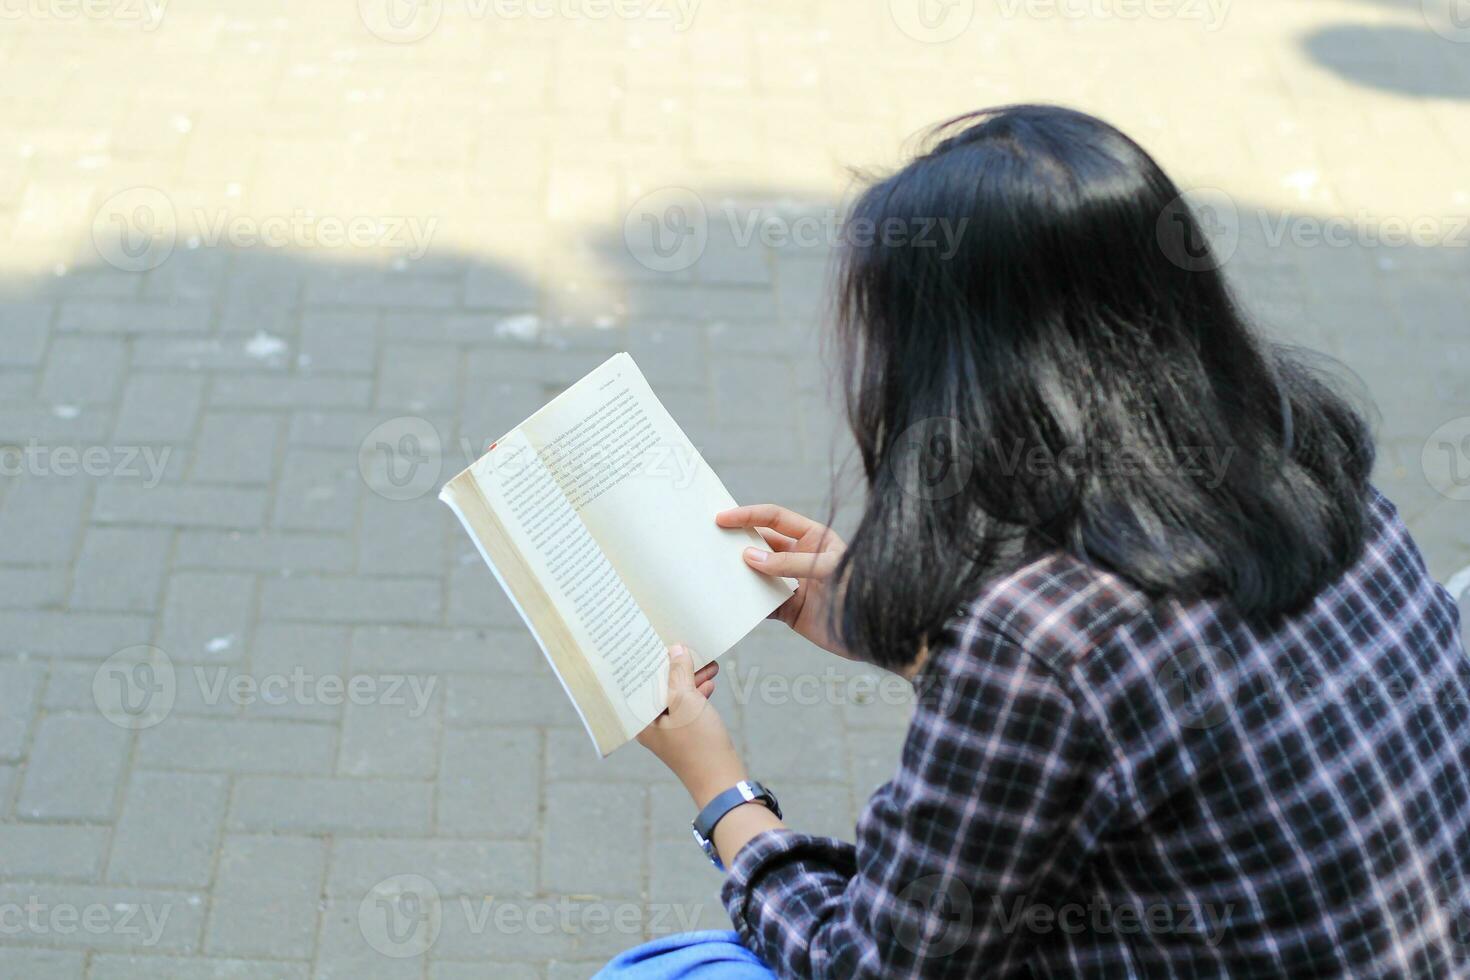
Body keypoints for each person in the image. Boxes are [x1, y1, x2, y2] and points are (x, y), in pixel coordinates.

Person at [596, 104, 1470, 978]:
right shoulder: (1313, 474)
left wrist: (720, 788)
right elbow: (1152, 708)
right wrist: (899, 633)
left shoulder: (1039, 637)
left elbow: (871, 966)